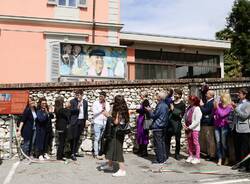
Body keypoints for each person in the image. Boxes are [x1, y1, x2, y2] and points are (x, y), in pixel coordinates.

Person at [99, 95, 130, 177]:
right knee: (111, 148)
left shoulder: (119, 111)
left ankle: (122, 170)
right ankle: (110, 165)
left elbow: (116, 122)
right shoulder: (123, 109)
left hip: (117, 132)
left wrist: (108, 116)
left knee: (118, 150)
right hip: (118, 132)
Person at [146, 92, 169, 164]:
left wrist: (149, 110)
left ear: (159, 97)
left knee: (158, 143)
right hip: (163, 126)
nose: (156, 96)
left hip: (158, 126)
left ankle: (160, 159)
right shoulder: (165, 105)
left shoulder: (160, 105)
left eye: (157, 95)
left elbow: (154, 115)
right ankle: (163, 158)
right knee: (162, 143)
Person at [165, 89, 186, 160]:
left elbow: (181, 115)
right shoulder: (172, 103)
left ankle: (177, 154)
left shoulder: (182, 104)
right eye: (174, 94)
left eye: (176, 94)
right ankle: (167, 153)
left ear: (180, 95)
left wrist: (173, 109)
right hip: (169, 124)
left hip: (177, 124)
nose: (174, 95)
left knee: (177, 140)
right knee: (167, 139)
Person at [213, 92, 233, 166]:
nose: (220, 99)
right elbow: (215, 114)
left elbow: (222, 114)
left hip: (224, 126)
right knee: (218, 143)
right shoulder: (219, 105)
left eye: (221, 97)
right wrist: (215, 109)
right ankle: (220, 158)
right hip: (217, 126)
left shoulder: (229, 106)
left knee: (224, 143)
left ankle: (227, 158)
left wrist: (217, 107)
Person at [233, 88, 250, 172]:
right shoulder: (239, 103)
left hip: (245, 129)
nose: (238, 94)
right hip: (236, 128)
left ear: (244, 95)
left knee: (244, 149)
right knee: (237, 147)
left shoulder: (248, 104)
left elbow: (245, 116)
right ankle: (239, 163)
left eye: (239, 93)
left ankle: (245, 166)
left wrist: (236, 108)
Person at [70, 89, 88, 160]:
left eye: (78, 95)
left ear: (82, 95)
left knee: (78, 137)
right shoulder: (72, 101)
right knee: (73, 137)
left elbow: (86, 112)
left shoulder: (85, 102)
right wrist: (77, 107)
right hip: (75, 121)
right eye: (76, 95)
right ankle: (72, 153)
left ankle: (75, 152)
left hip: (82, 121)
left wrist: (86, 120)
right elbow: (70, 111)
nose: (77, 96)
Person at [184, 95, 202, 164]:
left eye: (189, 100)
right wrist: (185, 125)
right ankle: (191, 155)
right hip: (188, 128)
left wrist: (190, 127)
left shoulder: (197, 109)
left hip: (194, 129)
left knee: (195, 143)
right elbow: (186, 117)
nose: (188, 101)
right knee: (189, 143)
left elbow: (197, 121)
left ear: (193, 101)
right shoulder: (189, 108)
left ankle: (197, 157)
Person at [92, 91, 110, 159]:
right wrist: (101, 110)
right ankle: (96, 154)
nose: (100, 97)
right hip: (97, 123)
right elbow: (94, 112)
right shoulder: (95, 103)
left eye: (102, 96)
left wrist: (104, 107)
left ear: (105, 97)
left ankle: (101, 152)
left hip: (104, 123)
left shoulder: (107, 103)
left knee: (102, 139)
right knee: (97, 138)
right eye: (100, 96)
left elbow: (107, 112)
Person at [200, 90, 215, 161]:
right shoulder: (208, 102)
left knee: (210, 140)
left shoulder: (211, 102)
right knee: (207, 140)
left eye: (207, 94)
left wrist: (202, 105)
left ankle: (212, 155)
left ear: (211, 95)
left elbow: (205, 111)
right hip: (205, 123)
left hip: (209, 124)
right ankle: (208, 154)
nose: (206, 95)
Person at [135, 91, 150, 157]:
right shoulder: (144, 101)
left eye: (141, 94)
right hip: (141, 119)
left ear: (144, 95)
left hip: (143, 120)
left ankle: (144, 151)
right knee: (140, 134)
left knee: (143, 134)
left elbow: (145, 110)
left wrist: (137, 110)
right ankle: (141, 149)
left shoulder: (146, 101)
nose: (140, 96)